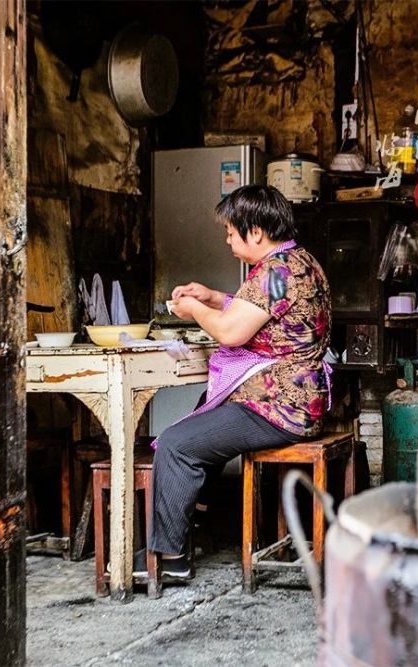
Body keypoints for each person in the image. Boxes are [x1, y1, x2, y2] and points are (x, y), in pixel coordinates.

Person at [147, 184, 331, 582]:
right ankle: (198, 515)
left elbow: (231, 333)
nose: (228, 238)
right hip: (301, 399)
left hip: (278, 405)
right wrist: (212, 296)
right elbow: (265, 312)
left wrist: (194, 308)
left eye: (232, 231)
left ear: (256, 233)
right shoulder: (298, 261)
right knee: (205, 407)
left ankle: (171, 558)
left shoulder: (273, 272)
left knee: (177, 444)